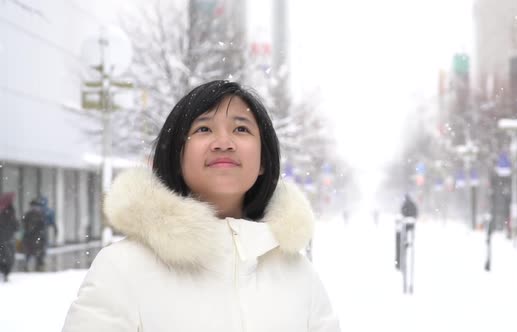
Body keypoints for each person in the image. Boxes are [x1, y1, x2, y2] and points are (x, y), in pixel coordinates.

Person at [62, 81, 340, 331]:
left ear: (263, 162)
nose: (223, 143)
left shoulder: (299, 274)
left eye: (241, 129)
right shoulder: (122, 268)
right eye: (204, 128)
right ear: (176, 155)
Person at [22, 198, 47, 272]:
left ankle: (38, 265)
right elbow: (24, 224)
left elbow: (42, 225)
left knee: (35, 252)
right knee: (32, 252)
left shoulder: (39, 214)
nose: (35, 208)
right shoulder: (30, 214)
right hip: (32, 237)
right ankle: (37, 265)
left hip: (35, 237)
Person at [0, 192, 19, 282]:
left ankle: (4, 271)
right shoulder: (10, 213)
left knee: (3, 256)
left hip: (3, 238)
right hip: (8, 238)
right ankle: (6, 273)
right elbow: (16, 226)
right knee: (9, 257)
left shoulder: (3, 211)